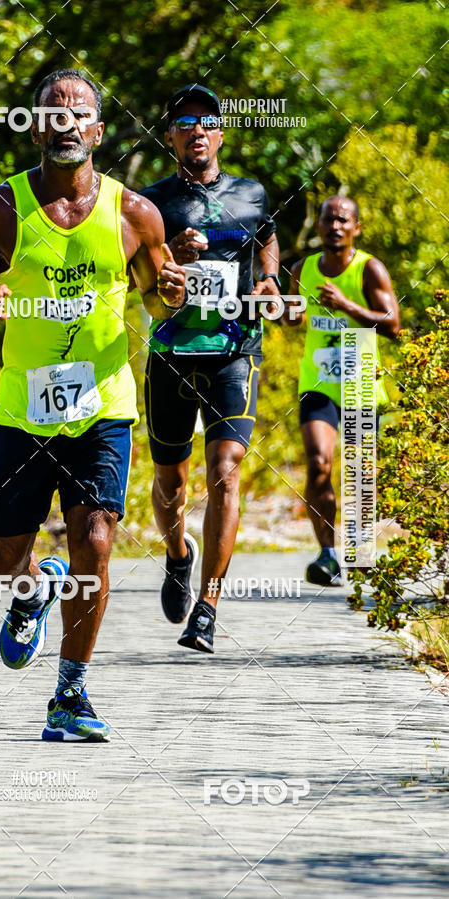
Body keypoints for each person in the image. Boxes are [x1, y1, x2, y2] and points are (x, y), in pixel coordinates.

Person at [0, 68, 186, 741]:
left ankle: (69, 695)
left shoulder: (136, 214)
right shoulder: (1, 210)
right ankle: (32, 593)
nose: (66, 121)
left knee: (96, 542)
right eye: (53, 111)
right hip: (22, 411)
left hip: (103, 407)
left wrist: (172, 292)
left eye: (80, 112)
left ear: (99, 131)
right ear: (37, 126)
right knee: (0, 559)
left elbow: (158, 302)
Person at [140, 84, 281, 653]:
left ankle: (208, 605)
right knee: (170, 478)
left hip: (235, 351)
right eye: (184, 122)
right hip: (172, 354)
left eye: (207, 120)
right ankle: (178, 554)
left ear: (221, 132)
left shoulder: (250, 194)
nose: (197, 129)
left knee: (226, 467)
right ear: (169, 135)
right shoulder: (148, 203)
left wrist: (270, 280)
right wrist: (171, 251)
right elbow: (136, 274)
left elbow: (267, 236)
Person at [284, 195, 400, 585]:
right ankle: (327, 554)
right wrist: (286, 311)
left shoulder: (370, 269)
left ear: (356, 228)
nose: (335, 226)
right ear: (318, 225)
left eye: (343, 221)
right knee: (319, 464)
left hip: (361, 381)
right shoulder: (302, 268)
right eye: (328, 219)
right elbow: (291, 318)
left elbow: (392, 324)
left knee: (359, 475)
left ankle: (361, 550)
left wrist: (347, 305)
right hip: (317, 380)